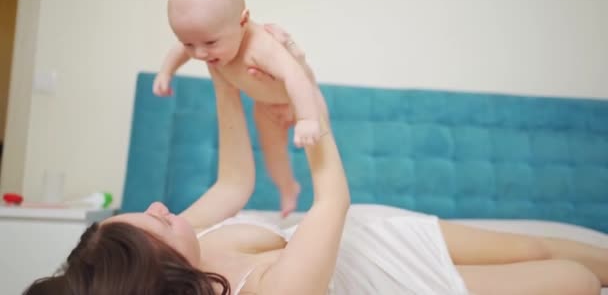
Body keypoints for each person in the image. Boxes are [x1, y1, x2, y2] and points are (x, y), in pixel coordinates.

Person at [26, 27, 606, 295]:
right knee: (577, 280)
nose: (158, 206)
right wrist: (297, 91)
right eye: (154, 221)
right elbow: (332, 197)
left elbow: (233, 182)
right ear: (165, 275)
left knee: (532, 243)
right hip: (394, 279)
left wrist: (224, 75)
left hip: (368, 233)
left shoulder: (189, 241)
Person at [152, 0, 327, 217]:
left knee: (319, 153)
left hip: (303, 101)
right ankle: (288, 188)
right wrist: (166, 72)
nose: (199, 54)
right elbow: (179, 51)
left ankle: (325, 203)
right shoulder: (203, 41)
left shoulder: (261, 45)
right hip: (267, 108)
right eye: (189, 43)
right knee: (274, 156)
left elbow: (295, 76)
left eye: (211, 43)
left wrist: (307, 118)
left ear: (243, 20)